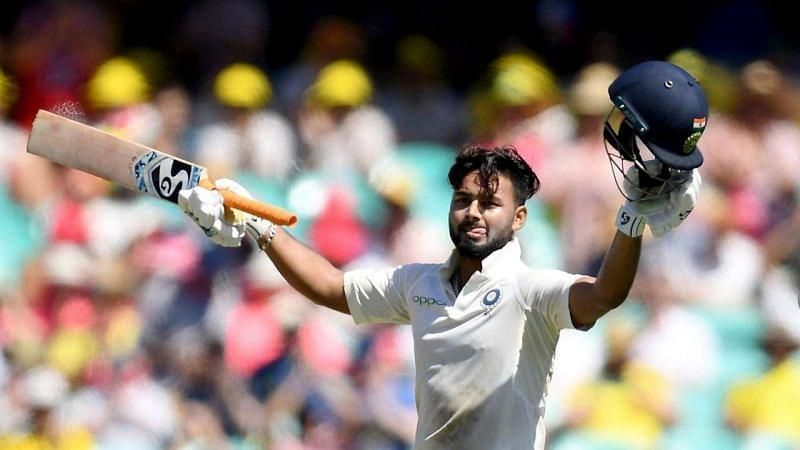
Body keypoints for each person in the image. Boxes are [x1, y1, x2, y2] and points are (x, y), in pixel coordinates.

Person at [177, 60, 707, 449]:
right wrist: (255, 220)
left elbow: (604, 295)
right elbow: (329, 287)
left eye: (491, 204)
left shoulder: (528, 291)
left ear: (519, 219)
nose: (474, 212)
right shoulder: (418, 283)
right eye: (463, 200)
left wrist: (630, 220)